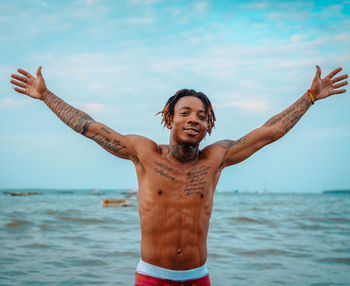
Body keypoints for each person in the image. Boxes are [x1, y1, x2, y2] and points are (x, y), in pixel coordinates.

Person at [10, 65, 348, 286]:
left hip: (199, 278)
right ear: (169, 119)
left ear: (208, 126)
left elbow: (269, 131)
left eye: (202, 116)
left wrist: (310, 97)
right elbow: (89, 127)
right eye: (185, 112)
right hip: (152, 278)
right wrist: (45, 95)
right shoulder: (144, 153)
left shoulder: (216, 158)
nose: (193, 119)